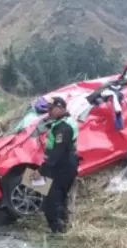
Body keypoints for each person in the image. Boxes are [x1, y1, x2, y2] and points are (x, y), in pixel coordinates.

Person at [31, 96, 79, 234]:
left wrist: (41, 170)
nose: (49, 112)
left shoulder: (64, 127)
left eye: (52, 109)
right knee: (52, 194)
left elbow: (56, 153)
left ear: (61, 108)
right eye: (48, 109)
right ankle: (61, 223)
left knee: (52, 199)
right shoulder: (60, 122)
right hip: (61, 165)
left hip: (62, 167)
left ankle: (57, 229)